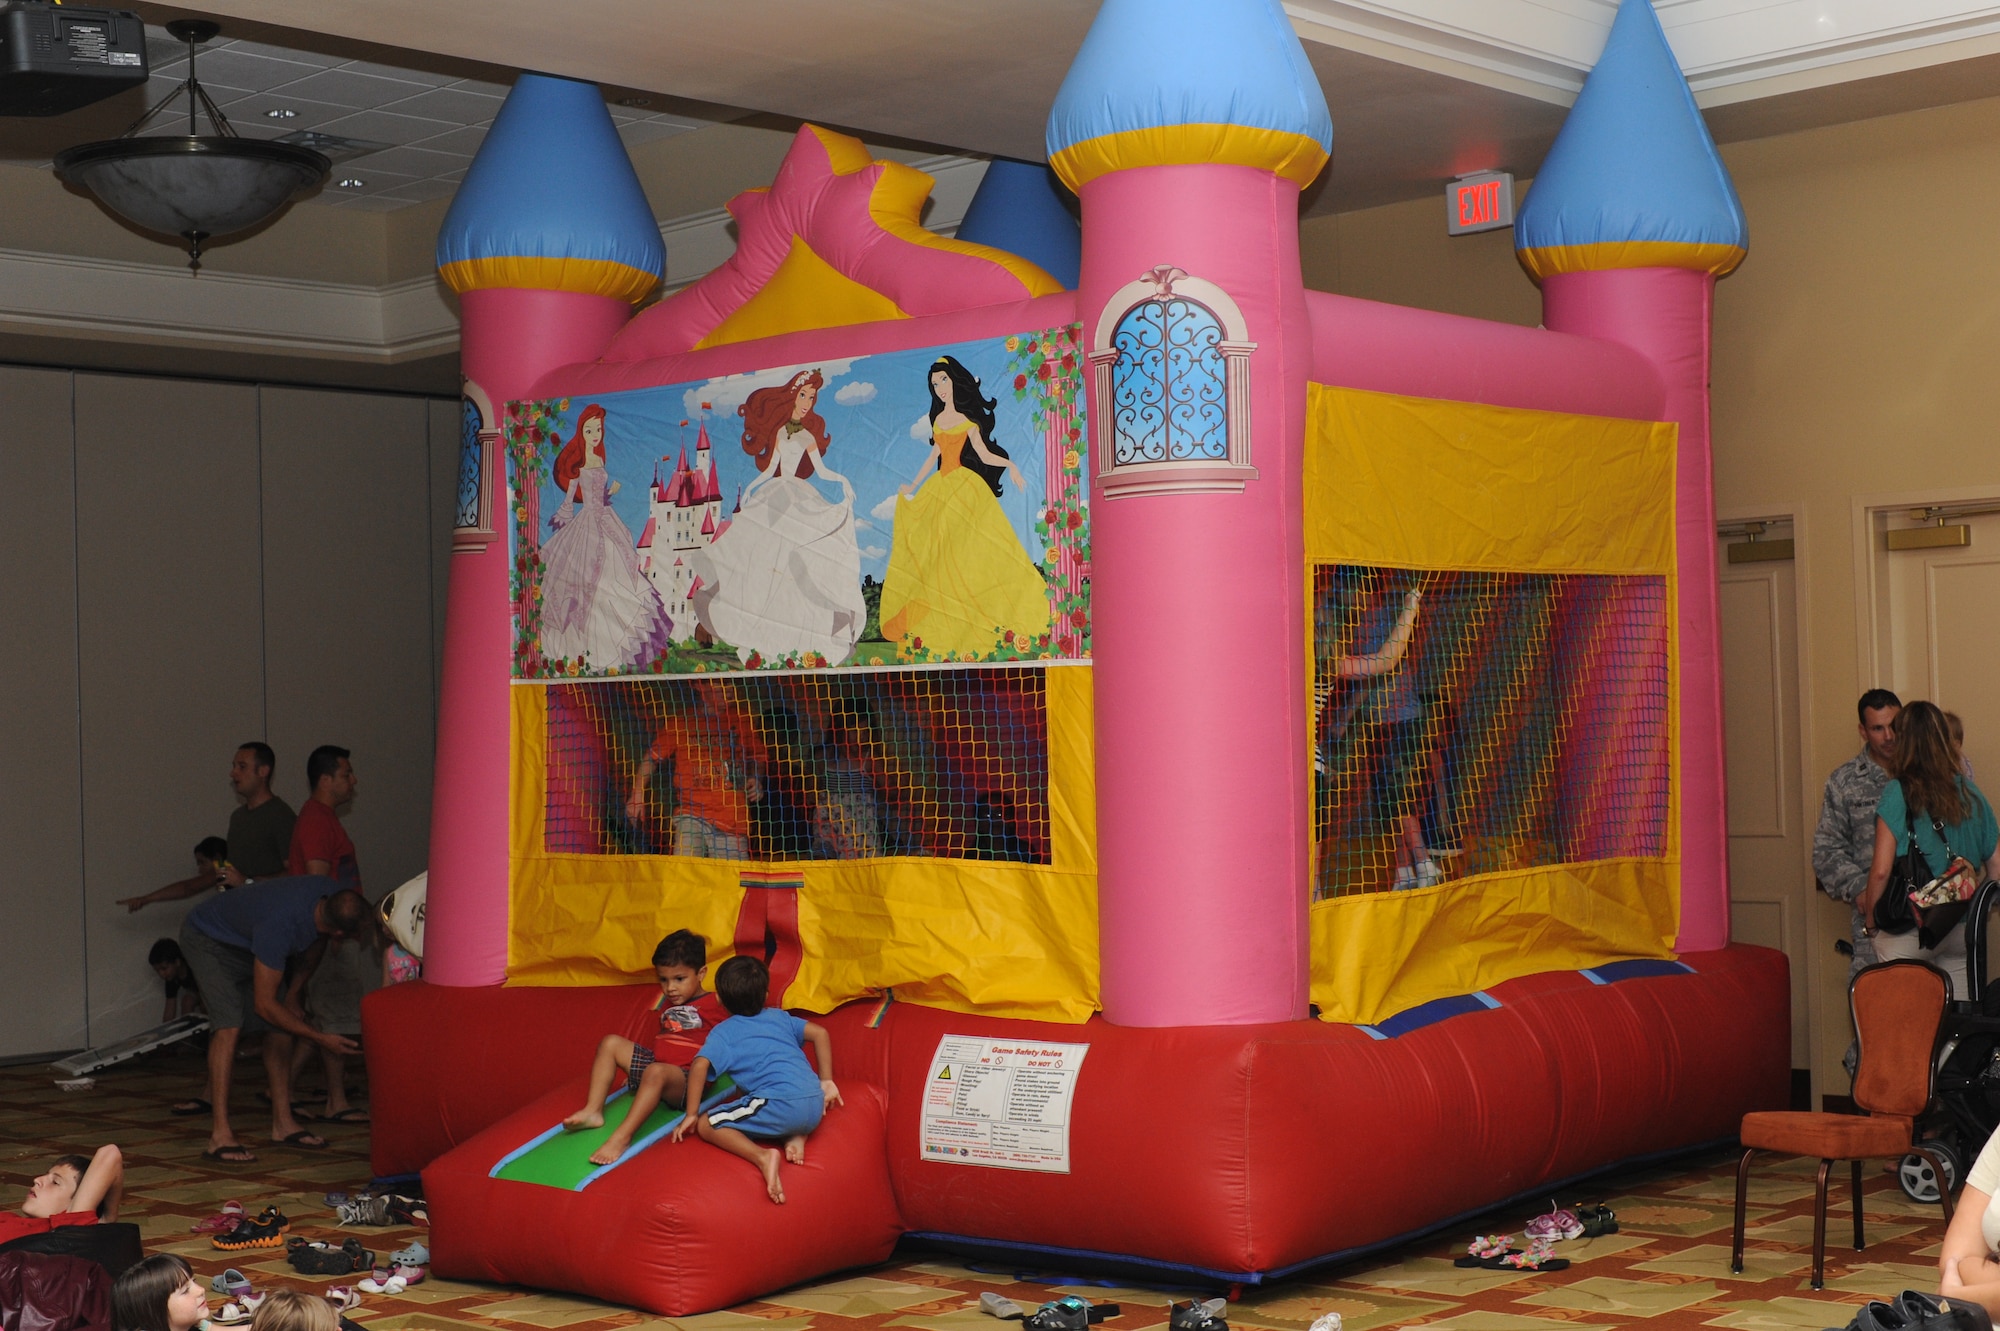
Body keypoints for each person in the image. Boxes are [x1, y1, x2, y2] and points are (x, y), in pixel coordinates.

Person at [177, 879, 369, 1162]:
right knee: (229, 1024)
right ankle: (219, 1135)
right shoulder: (280, 927)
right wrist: (319, 1038)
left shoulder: (329, 896)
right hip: (207, 939)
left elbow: (317, 944)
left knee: (282, 1023)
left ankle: (283, 1123)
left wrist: (293, 995)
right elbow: (264, 1006)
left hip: (247, 942)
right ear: (341, 932)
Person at [690, 369, 867, 666]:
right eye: (803, 395)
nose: (807, 402)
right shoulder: (781, 432)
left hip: (797, 497)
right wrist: (750, 492)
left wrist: (843, 483)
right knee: (761, 560)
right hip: (774, 497)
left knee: (796, 566)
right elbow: (771, 468)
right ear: (792, 396)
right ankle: (756, 629)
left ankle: (799, 635)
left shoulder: (808, 435)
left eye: (812, 397)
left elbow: (822, 471)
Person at [880, 355, 1052, 660]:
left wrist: (1010, 463)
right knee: (937, 558)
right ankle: (941, 623)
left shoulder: (967, 422)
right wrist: (912, 485)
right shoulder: (938, 420)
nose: (940, 388)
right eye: (935, 384)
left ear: (955, 381)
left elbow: (984, 454)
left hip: (964, 488)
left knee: (969, 555)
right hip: (939, 489)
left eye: (943, 380)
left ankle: (976, 621)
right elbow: (933, 457)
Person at [670, 955, 841, 1204]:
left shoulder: (724, 1032)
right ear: (766, 993)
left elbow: (699, 1065)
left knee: (709, 1124)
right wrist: (826, 1081)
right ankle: (794, 1137)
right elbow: (821, 1033)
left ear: (718, 998)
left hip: (780, 1104)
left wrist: (692, 1114)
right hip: (815, 1104)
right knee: (759, 1104)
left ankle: (762, 1157)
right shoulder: (780, 1017)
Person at [1857, 701, 2000, 1000]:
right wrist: (1973, 909)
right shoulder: (1971, 793)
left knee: (1908, 1028)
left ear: (1903, 742)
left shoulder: (1897, 792)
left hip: (1909, 930)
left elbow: (1881, 870)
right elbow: (1997, 867)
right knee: (1956, 1029)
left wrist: (1870, 923)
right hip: (1960, 930)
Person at [561, 930, 728, 1165]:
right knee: (610, 1043)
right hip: (657, 1069)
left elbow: (742, 1027)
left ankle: (621, 1137)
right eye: (663, 979)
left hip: (688, 1081)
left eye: (679, 979)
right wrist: (635, 1071)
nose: (670, 988)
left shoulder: (717, 1003)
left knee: (656, 1071)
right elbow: (666, 1039)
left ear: (701, 973)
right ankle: (593, 1110)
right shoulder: (669, 1003)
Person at [1313, 582, 1434, 893]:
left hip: (1402, 720)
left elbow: (1384, 663)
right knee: (1388, 801)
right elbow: (1384, 661)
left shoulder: (1326, 658)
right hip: (1375, 725)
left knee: (1398, 796)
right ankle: (1405, 870)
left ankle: (1421, 862)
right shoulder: (1328, 660)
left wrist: (1410, 605)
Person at [537, 403, 674, 671]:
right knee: (591, 582)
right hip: (589, 524)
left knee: (618, 574)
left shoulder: (599, 460)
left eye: (598, 429)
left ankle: (617, 649)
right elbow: (571, 499)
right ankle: (594, 651)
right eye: (590, 430)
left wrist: (611, 490)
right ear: (582, 433)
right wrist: (564, 513)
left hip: (606, 519)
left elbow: (600, 496)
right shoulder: (579, 465)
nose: (595, 434)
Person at [1815, 689, 1902, 1001]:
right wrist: (1860, 891)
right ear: (1863, 731)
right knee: (1871, 1011)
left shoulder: (1923, 774)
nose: (1889, 736)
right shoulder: (1844, 781)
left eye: (1894, 725)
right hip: (1874, 919)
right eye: (1878, 728)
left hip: (1928, 919)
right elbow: (1826, 850)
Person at [625, 681, 766, 860]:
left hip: (732, 818)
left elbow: (758, 756)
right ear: (700, 686)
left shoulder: (742, 720)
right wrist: (637, 795)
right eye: (720, 684)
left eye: (730, 683)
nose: (728, 689)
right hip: (691, 814)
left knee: (731, 882)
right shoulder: (681, 722)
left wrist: (755, 778)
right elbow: (651, 759)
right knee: (686, 874)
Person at [1, 1144, 123, 1244]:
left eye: (55, 1182)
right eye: (45, 1175)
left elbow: (111, 1153)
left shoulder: (67, 1230)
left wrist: (109, 1218)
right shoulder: (9, 1218)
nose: (37, 1180)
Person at [225, 742, 296, 884]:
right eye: (234, 766)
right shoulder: (237, 817)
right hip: (237, 902)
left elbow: (295, 872)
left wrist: (247, 883)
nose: (233, 773)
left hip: (269, 903)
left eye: (242, 767)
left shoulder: (281, 815)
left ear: (263, 771)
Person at [117, 837, 230, 914]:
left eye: (202, 862)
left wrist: (146, 899)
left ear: (217, 858)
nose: (200, 870)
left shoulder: (223, 869)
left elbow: (187, 888)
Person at [111, 1254, 208, 1331]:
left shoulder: (193, 1325)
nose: (201, 1290)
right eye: (185, 1291)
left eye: (194, 1281)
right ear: (152, 1310)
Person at [149, 938, 203, 1021]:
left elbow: (208, 997)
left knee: (201, 1003)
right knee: (187, 1002)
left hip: (210, 990)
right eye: (157, 971)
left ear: (177, 962)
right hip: (199, 992)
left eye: (164, 968)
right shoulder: (171, 979)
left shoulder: (195, 969)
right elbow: (169, 1013)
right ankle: (187, 1029)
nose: (161, 974)